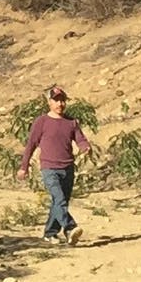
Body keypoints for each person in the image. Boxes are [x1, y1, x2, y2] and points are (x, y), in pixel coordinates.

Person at [21, 86, 96, 245]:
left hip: (68, 168)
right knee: (59, 199)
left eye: (62, 100)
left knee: (59, 202)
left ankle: (50, 233)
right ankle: (70, 228)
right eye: (56, 100)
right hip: (49, 168)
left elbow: (80, 139)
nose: (60, 104)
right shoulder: (41, 122)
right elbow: (31, 144)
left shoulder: (71, 122)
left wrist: (85, 147)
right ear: (49, 102)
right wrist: (23, 166)